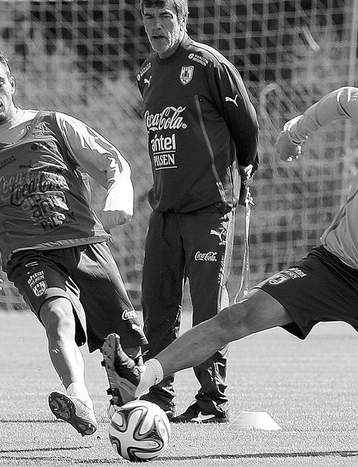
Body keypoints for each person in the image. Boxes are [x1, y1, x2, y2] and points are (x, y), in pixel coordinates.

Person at [103, 84, 358, 448]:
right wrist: (296, 131)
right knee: (236, 319)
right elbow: (345, 97)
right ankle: (143, 376)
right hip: (331, 268)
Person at [0, 47, 147, 436]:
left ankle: (128, 404)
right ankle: (80, 401)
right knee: (56, 318)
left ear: (12, 84)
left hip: (84, 243)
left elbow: (113, 163)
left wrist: (119, 194)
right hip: (29, 257)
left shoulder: (55, 125)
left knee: (126, 346)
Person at [106, 0, 259, 423]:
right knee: (157, 308)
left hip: (210, 210)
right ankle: (159, 396)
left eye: (165, 18)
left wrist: (243, 175)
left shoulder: (209, 65)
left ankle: (213, 402)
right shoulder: (147, 73)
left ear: (183, 19)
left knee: (208, 310)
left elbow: (246, 126)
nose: (156, 27)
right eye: (149, 18)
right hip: (165, 213)